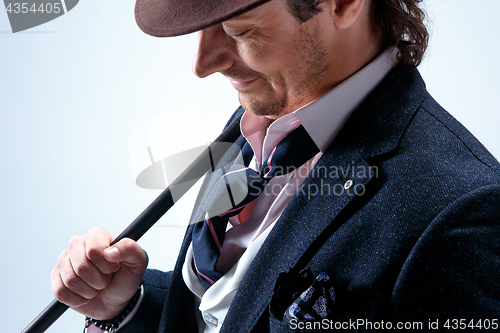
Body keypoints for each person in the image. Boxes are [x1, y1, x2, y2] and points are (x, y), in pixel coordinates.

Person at [51, 0, 500, 332]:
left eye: (239, 30)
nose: (203, 64)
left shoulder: (463, 211)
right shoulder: (260, 120)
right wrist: (130, 305)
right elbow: (235, 312)